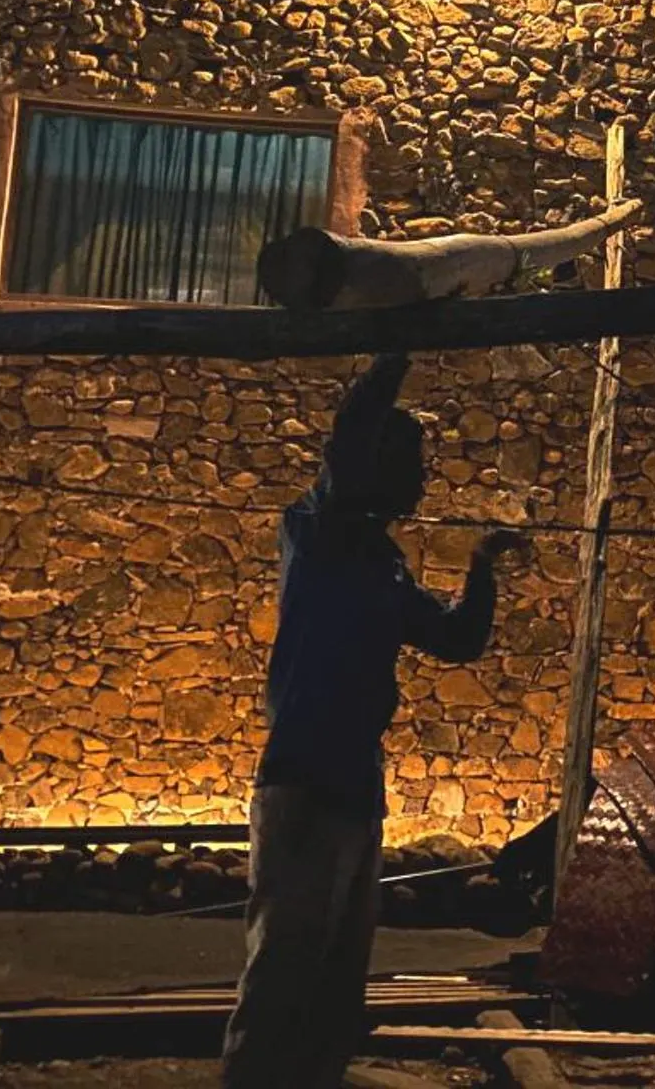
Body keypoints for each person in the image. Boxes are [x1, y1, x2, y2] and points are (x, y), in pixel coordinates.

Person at [223, 351, 527, 1089]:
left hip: (355, 792)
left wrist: (482, 569)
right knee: (286, 967)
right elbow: (351, 434)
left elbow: (456, 639)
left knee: (334, 979)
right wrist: (401, 346)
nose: (424, 481)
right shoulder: (317, 531)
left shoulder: (381, 564)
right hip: (304, 786)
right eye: (413, 463)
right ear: (373, 465)